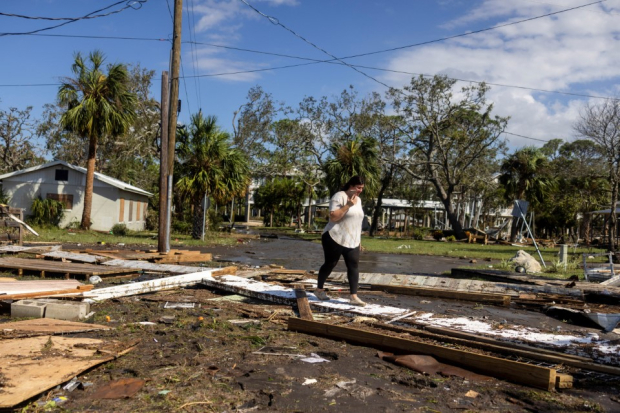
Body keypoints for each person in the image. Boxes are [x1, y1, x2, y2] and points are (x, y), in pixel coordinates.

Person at [314, 176, 367, 306]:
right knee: (330, 263)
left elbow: (358, 221)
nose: (360, 191)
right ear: (351, 186)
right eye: (358, 188)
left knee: (353, 266)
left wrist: (358, 239)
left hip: (352, 239)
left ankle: (353, 296)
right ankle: (319, 289)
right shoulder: (339, 196)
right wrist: (348, 205)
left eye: (362, 188)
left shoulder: (358, 200)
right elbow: (333, 217)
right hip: (334, 236)